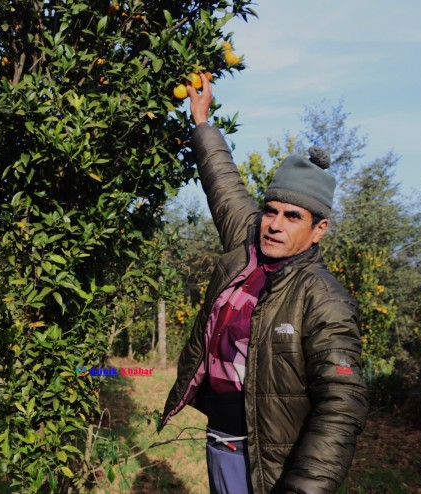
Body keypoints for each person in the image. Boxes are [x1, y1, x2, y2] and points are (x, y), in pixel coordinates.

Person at [159, 74, 368, 494]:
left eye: (293, 216)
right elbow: (223, 183)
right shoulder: (249, 241)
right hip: (222, 441)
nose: (274, 225)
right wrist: (202, 123)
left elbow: (342, 404)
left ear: (319, 228)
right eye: (271, 210)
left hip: (271, 462)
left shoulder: (323, 299)